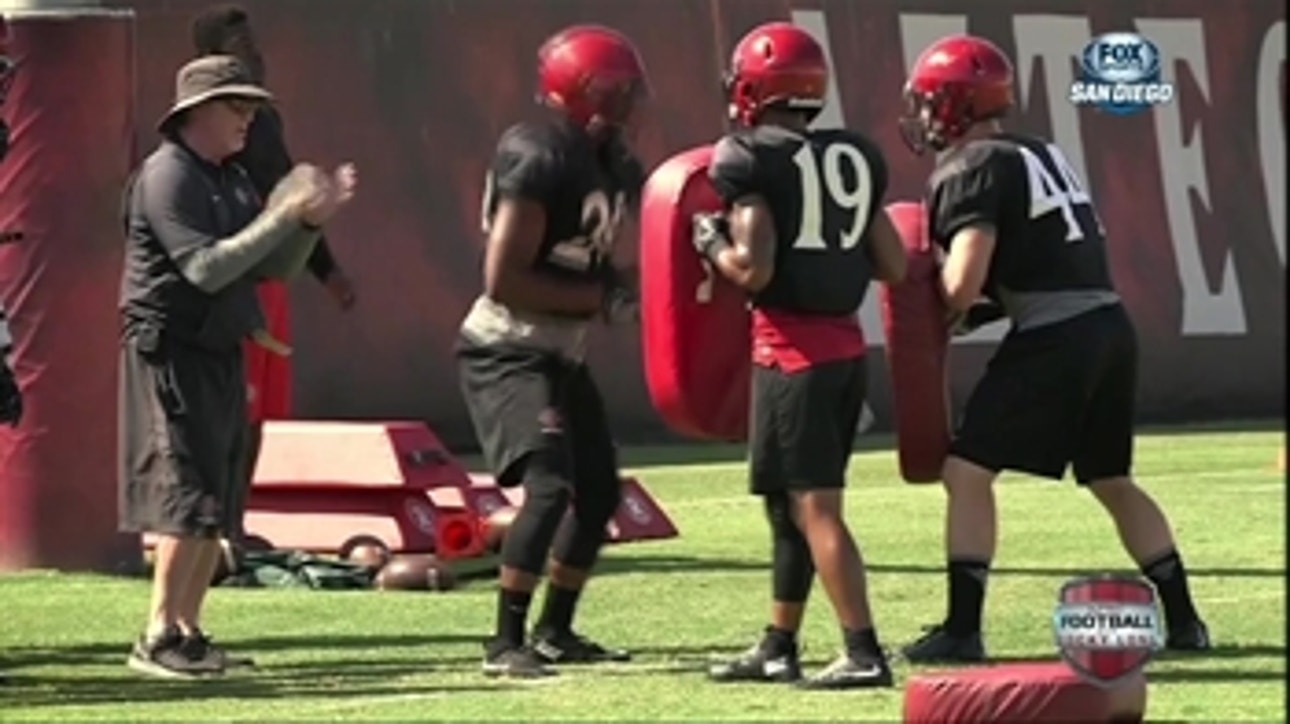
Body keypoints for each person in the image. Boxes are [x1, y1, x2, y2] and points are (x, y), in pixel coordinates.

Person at [894, 34, 1210, 663]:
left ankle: (962, 628)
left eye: (932, 103)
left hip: (1056, 334)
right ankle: (1185, 621)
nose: (925, 117)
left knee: (967, 472)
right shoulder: (1037, 152)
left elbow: (963, 278)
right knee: (1111, 477)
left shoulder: (969, 166)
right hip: (1109, 325)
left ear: (953, 105)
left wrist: (937, 302)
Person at [118, 55, 356, 678]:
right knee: (186, 493)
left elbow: (270, 268)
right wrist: (282, 213)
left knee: (216, 498)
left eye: (252, 107)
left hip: (219, 347)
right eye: (237, 106)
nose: (249, 119)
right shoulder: (168, 174)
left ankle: (190, 630)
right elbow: (204, 269)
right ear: (196, 112)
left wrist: (305, 225)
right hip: (170, 349)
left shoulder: (226, 176)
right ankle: (158, 634)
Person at [695, 23, 908, 689]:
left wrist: (709, 244)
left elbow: (753, 270)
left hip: (792, 355)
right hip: (845, 349)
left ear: (757, 87)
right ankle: (778, 643)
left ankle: (863, 650)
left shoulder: (749, 158)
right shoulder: (854, 157)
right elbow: (894, 263)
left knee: (815, 509)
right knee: (788, 507)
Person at [456, 24, 647, 678]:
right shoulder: (538, 153)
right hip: (507, 347)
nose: (627, 102)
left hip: (562, 352)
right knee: (547, 489)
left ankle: (556, 629)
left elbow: (605, 265)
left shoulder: (614, 164)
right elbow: (505, 279)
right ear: (576, 91)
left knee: (599, 495)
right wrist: (601, 299)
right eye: (614, 89)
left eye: (630, 89)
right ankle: (503, 642)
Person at [190, 4, 358, 536]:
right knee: (230, 412)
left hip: (271, 279)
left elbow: (289, 194)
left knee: (260, 416)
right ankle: (210, 528)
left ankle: (235, 524)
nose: (254, 56)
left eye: (253, 45)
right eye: (240, 47)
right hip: (229, 284)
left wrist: (326, 269)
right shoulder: (195, 143)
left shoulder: (266, 123)